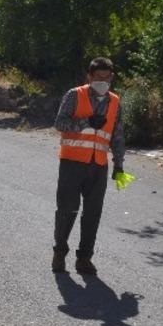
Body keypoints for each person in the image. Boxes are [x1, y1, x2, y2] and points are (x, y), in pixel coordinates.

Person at [51, 57, 126, 275]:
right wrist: (85, 122)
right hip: (72, 163)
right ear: (90, 77)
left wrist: (119, 165)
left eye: (107, 77)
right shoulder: (75, 95)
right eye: (98, 77)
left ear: (111, 78)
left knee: (93, 213)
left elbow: (117, 136)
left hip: (98, 165)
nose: (103, 81)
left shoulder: (115, 102)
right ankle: (59, 253)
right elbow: (59, 123)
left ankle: (84, 258)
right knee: (67, 210)